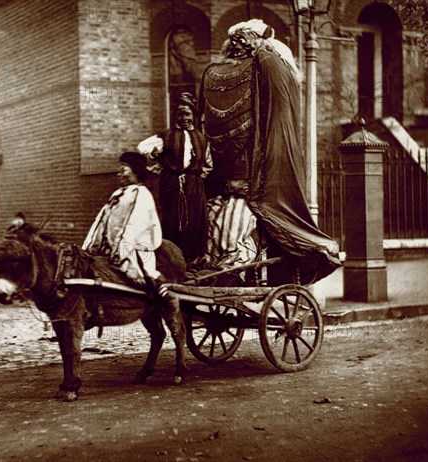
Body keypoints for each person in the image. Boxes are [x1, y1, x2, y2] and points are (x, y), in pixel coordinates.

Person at [199, 19, 341, 285]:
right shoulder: (269, 62)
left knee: (231, 226)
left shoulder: (264, 63)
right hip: (240, 184)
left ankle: (244, 264)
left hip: (246, 182)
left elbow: (274, 122)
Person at [82, 151, 179, 310]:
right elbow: (100, 222)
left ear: (136, 171)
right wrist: (88, 247)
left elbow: (133, 226)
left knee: (142, 275)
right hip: (112, 249)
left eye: (124, 168)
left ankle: (166, 298)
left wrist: (120, 252)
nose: (119, 172)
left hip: (134, 250)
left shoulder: (141, 195)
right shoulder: (118, 194)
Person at [137, 93, 213, 262]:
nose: (184, 118)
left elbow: (208, 164)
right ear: (175, 116)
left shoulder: (202, 139)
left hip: (194, 185)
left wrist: (195, 177)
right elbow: (142, 147)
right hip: (171, 183)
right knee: (173, 220)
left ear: (193, 115)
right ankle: (172, 257)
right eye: (180, 114)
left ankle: (192, 259)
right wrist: (156, 158)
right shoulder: (167, 136)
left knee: (194, 221)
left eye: (187, 114)